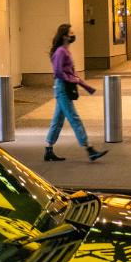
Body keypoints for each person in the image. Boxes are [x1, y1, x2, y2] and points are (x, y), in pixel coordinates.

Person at [44, 24, 108, 162]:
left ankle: (48, 149)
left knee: (58, 120)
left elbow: (70, 72)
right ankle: (89, 149)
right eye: (71, 33)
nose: (73, 35)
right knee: (74, 118)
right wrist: (72, 80)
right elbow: (58, 72)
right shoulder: (61, 51)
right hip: (62, 88)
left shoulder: (65, 50)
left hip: (63, 87)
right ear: (65, 36)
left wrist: (84, 85)